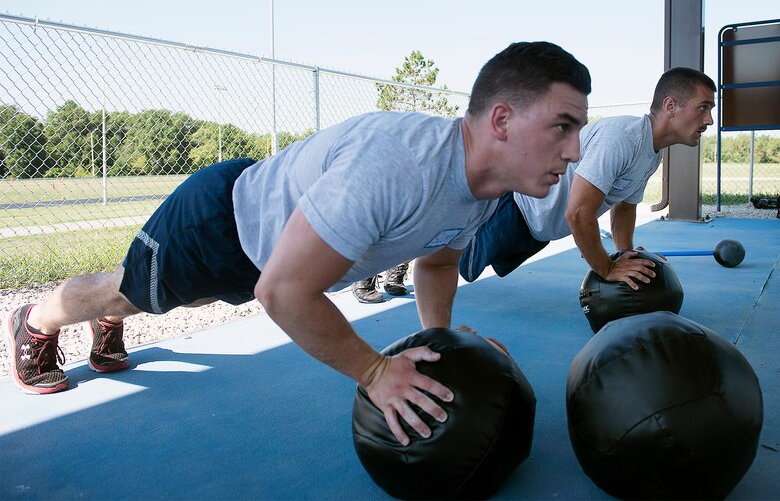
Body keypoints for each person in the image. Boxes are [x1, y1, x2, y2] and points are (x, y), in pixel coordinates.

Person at [6, 41, 591, 446]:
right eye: (562, 126)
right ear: (504, 120)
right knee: (125, 294)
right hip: (220, 228)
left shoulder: (484, 188)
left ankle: (112, 318)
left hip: (271, 243)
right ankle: (36, 319)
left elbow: (437, 258)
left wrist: (439, 337)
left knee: (182, 300)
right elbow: (283, 292)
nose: (574, 152)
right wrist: (375, 371)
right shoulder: (399, 163)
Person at [459, 67, 716, 289]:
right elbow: (579, 212)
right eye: (703, 108)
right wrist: (607, 268)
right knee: (449, 258)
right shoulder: (621, 138)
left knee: (471, 264)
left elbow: (625, 206)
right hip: (513, 206)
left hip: (538, 227)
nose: (709, 120)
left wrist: (625, 253)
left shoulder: (652, 153)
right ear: (670, 106)